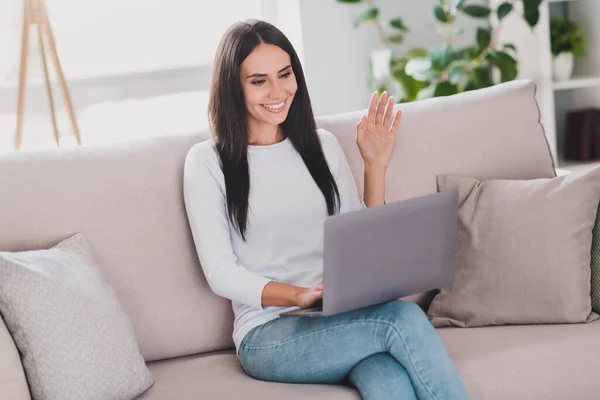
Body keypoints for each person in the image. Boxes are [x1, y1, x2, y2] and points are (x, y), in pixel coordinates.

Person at [183, 19, 469, 400]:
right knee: (402, 319)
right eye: (258, 80)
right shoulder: (207, 162)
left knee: (387, 378)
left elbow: (359, 239)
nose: (278, 90)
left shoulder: (322, 145)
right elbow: (220, 273)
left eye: (285, 74)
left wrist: (375, 166)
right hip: (268, 332)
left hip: (340, 316)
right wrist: (297, 294)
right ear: (232, 87)